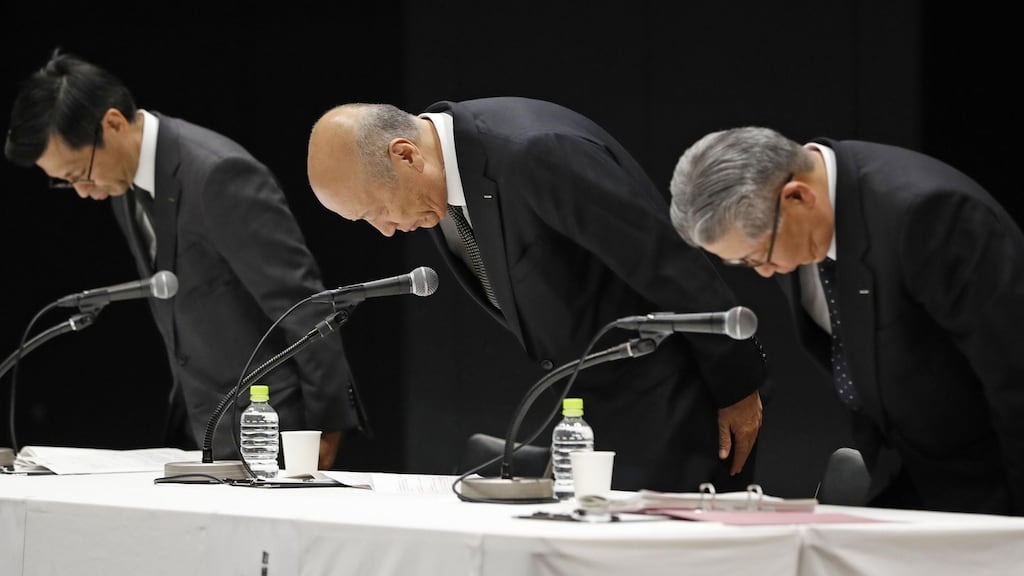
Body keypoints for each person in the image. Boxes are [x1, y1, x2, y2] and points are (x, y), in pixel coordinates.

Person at [306, 97, 768, 492]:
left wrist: (737, 384)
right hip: (594, 415)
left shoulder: (533, 152)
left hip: (676, 406)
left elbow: (666, 261)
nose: (385, 229)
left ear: (405, 155)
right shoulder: (443, 180)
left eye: (378, 210)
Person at [4, 50, 367, 467]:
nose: (84, 191)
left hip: (274, 432)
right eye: (67, 184)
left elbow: (303, 303)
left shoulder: (217, 173)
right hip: (202, 428)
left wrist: (326, 429)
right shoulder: (124, 183)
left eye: (79, 174)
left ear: (113, 124)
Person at [668, 126, 1024, 516]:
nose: (766, 273)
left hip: (988, 486)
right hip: (903, 483)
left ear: (798, 196)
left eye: (758, 256)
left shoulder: (929, 213)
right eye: (745, 265)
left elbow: (1013, 373)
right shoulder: (791, 223)